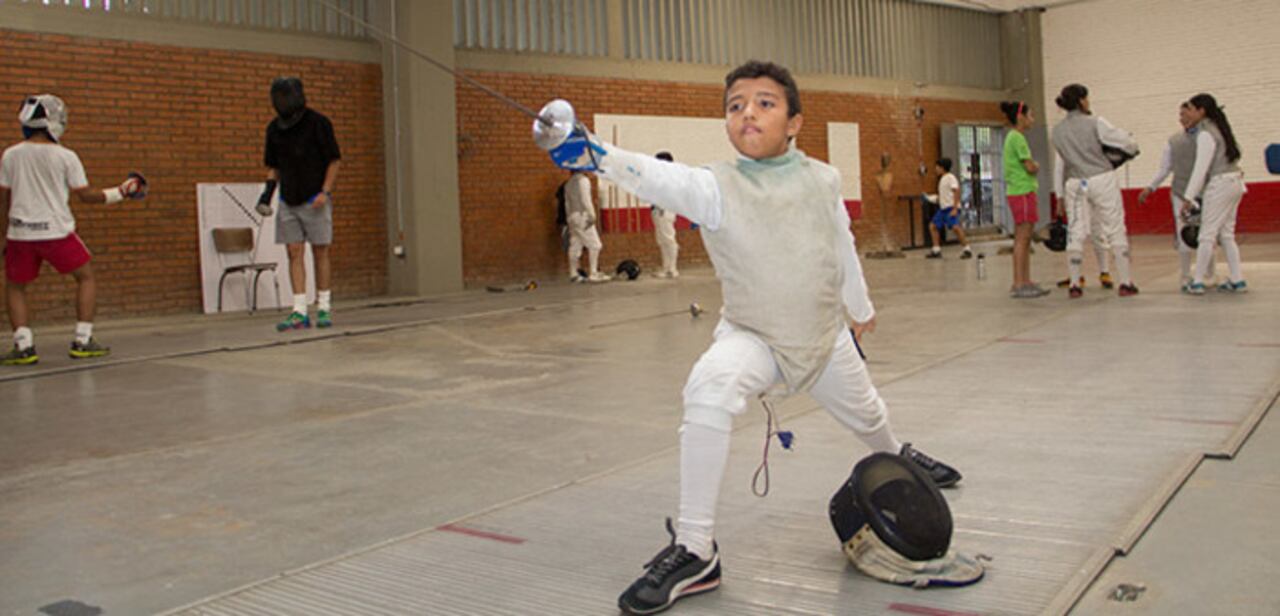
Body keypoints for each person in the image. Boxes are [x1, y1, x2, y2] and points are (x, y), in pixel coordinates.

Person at [535, 60, 961, 615]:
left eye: (764, 103)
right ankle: (696, 549)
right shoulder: (716, 186)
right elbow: (657, 177)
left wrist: (860, 308)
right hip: (754, 336)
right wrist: (591, 152)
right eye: (735, 106)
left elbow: (840, 243)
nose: (748, 113)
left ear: (794, 122)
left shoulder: (823, 179)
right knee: (708, 387)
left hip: (823, 338)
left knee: (869, 415)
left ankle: (898, 460)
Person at [1, 94, 145, 365]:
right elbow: (87, 196)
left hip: (20, 233)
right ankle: (82, 340)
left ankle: (23, 346)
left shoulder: (11, 155)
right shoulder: (66, 156)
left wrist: (4, 235)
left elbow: (4, 198)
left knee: (15, 287)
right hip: (56, 232)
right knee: (86, 277)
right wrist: (122, 191)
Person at [257, 76, 341, 331]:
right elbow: (274, 167)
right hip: (288, 200)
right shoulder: (274, 129)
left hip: (315, 199)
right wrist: (267, 195)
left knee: (320, 251)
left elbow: (334, 160)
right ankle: (299, 311)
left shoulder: (318, 123)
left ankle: (323, 306)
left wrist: (325, 192)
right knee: (294, 252)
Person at [1049, 84, 1140, 299]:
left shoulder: (1057, 131)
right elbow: (1127, 143)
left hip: (1075, 182)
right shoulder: (1095, 122)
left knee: (1075, 230)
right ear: (1081, 100)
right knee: (1115, 228)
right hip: (1101, 178)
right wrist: (1129, 149)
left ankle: (1074, 284)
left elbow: (1061, 164)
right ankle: (1125, 282)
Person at [1138, 101, 1214, 288]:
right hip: (1180, 193)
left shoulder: (1208, 137)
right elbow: (1165, 168)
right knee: (1183, 234)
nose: (1183, 119)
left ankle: (1209, 274)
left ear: (1197, 114)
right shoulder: (1173, 141)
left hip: (1205, 192)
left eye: (1186, 114)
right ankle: (1185, 276)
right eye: (1181, 115)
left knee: (1206, 234)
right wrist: (1150, 187)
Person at [1179, 93, 1246, 295]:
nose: (1188, 113)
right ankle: (1237, 280)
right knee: (1226, 234)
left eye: (1191, 109)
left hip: (1221, 184)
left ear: (1201, 111)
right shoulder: (1221, 128)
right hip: (1235, 182)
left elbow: (1201, 169)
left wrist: (1188, 197)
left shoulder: (1206, 134)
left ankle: (1198, 282)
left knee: (1206, 235)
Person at [1000, 101, 1049, 298]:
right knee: (1022, 238)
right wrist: (1036, 166)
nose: (1032, 120)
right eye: (1030, 116)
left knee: (1026, 239)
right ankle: (1019, 282)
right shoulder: (1018, 138)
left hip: (1020, 191)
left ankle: (1025, 280)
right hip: (1022, 191)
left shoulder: (1012, 137)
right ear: (1020, 117)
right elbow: (1029, 166)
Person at [564, 169, 610, 282]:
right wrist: (592, 215)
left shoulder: (568, 183)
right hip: (582, 216)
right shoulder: (583, 180)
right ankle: (593, 273)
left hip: (572, 216)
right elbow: (586, 200)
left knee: (575, 245)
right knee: (595, 245)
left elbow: (567, 203)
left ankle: (573, 273)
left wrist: (569, 218)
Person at [924, 157, 972, 259]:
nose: (936, 169)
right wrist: (928, 198)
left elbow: (956, 191)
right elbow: (942, 197)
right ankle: (936, 250)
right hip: (943, 209)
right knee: (933, 226)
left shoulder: (950, 178)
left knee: (955, 228)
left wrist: (955, 208)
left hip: (950, 208)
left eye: (937, 167)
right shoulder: (942, 180)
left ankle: (967, 249)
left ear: (942, 168)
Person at [650, 151, 681, 277]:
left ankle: (672, 268)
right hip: (657, 209)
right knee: (662, 240)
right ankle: (666, 267)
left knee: (668, 238)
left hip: (665, 210)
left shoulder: (671, 177)